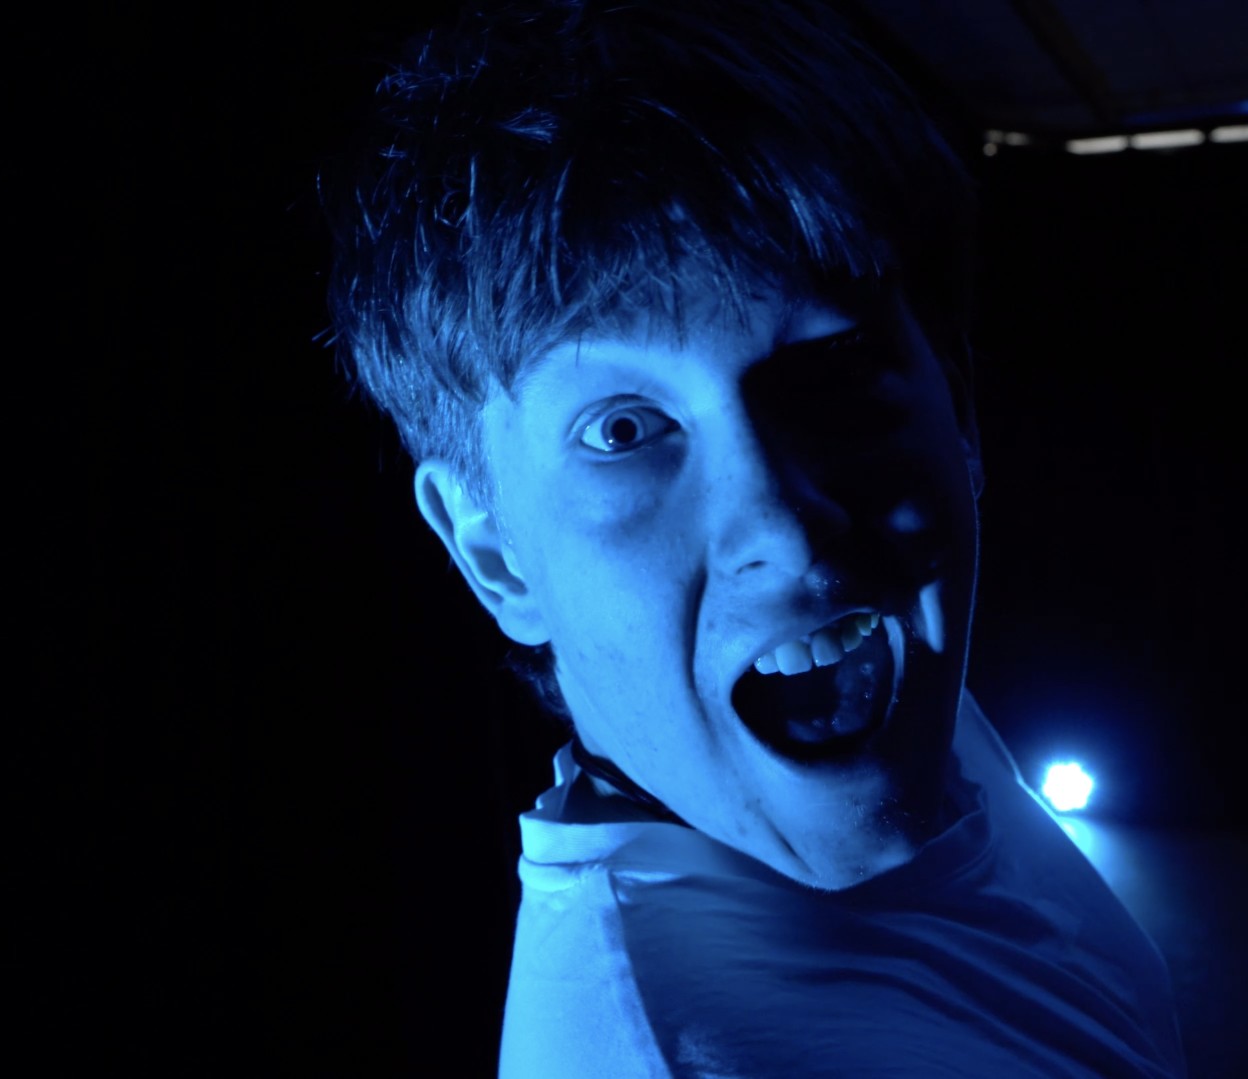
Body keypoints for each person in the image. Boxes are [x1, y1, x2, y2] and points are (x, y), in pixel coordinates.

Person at [325, 1, 1186, 1074]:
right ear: (492, 554)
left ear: (957, 409)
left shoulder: (907, 713)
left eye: (831, 373)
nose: (785, 526)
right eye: (624, 431)